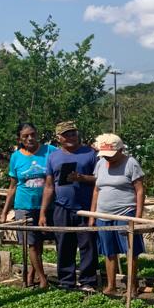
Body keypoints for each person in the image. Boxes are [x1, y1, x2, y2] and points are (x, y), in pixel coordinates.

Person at [40, 121, 98, 291]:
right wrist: (43, 212)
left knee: (87, 245)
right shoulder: (53, 157)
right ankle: (66, 282)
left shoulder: (90, 153)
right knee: (64, 244)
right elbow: (49, 186)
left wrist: (81, 178)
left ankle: (88, 282)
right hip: (61, 207)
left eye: (73, 133)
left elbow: (99, 180)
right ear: (59, 138)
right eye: (67, 135)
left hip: (86, 207)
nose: (71, 137)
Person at [88, 133, 145, 295]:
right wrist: (92, 215)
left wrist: (138, 217)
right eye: (105, 156)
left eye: (111, 156)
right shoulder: (100, 164)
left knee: (130, 251)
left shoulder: (130, 163)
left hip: (125, 213)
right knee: (109, 252)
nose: (108, 159)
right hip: (103, 215)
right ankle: (111, 285)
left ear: (121, 150)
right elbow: (96, 190)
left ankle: (132, 286)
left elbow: (140, 190)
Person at [0, 122, 56, 288]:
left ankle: (31, 275)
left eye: (32, 134)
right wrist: (4, 211)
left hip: (46, 206)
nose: (30, 138)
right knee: (31, 243)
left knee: (39, 243)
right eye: (25, 136)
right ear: (20, 139)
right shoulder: (16, 157)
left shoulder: (50, 151)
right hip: (24, 206)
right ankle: (43, 279)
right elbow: (12, 186)